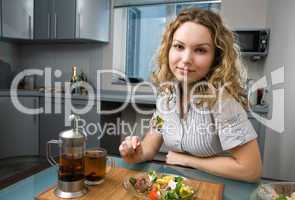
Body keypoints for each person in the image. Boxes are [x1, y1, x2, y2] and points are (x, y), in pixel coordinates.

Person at [119, 8, 262, 182]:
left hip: (216, 190)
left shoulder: (222, 100)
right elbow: (152, 140)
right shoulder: (167, 94)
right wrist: (135, 152)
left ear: (215, 58)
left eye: (200, 50)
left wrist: (187, 160)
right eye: (179, 46)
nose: (186, 58)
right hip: (181, 187)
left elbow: (251, 170)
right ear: (168, 49)